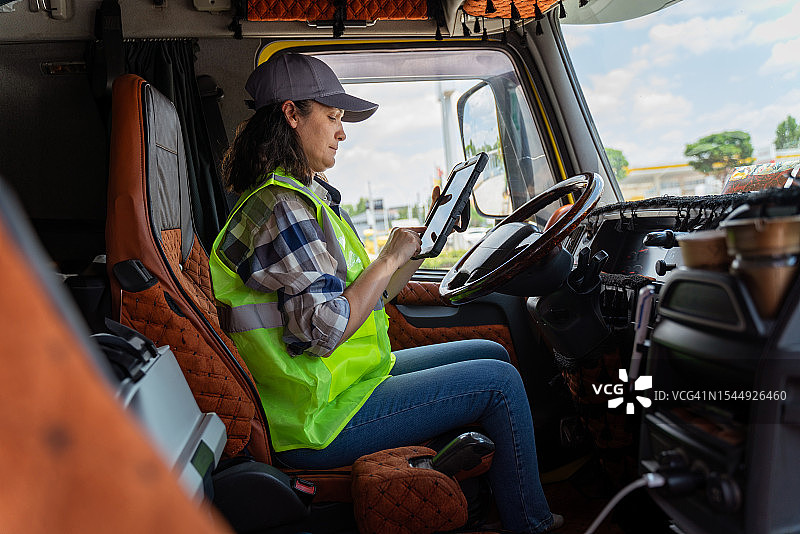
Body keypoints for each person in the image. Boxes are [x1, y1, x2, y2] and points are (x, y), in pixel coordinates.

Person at [209, 52, 562, 533]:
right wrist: (387, 258)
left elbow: (373, 297)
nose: (342, 132)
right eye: (332, 117)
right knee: (498, 382)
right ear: (291, 114)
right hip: (315, 420)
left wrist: (419, 246)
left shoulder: (302, 200)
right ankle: (533, 524)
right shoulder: (282, 208)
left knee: (490, 351)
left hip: (341, 387)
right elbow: (324, 330)